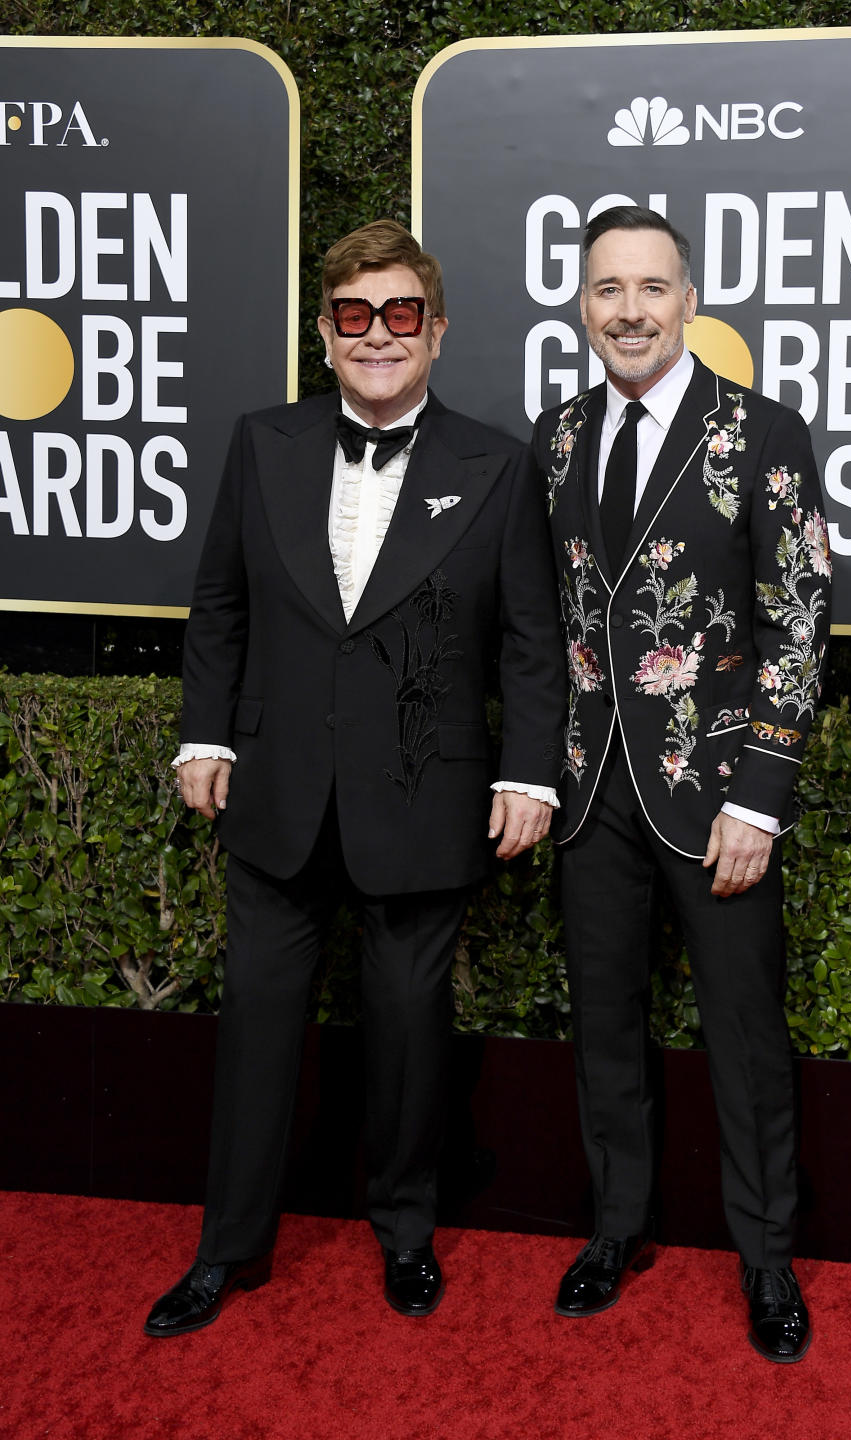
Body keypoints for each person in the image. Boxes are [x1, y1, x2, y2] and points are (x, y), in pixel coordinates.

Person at [145, 220, 565, 1336]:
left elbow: (531, 641)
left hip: (426, 792)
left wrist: (531, 771)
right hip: (276, 792)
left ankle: (408, 1233)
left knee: (408, 1026)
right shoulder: (261, 441)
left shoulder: (498, 463)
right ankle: (227, 1249)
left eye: (400, 316)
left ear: (436, 332)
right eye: (352, 316)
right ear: (322, 333)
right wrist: (206, 737)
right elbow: (221, 603)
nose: (377, 336)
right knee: (259, 1026)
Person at [532, 206, 831, 1363]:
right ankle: (616, 1229)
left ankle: (767, 1259)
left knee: (746, 1035)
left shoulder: (761, 432)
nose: (630, 310)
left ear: (689, 301)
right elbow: (551, 621)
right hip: (591, 789)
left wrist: (761, 795)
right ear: (582, 305)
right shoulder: (554, 438)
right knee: (605, 1023)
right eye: (608, 289)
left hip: (718, 798)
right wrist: (544, 771)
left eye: (652, 288)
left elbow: (799, 618)